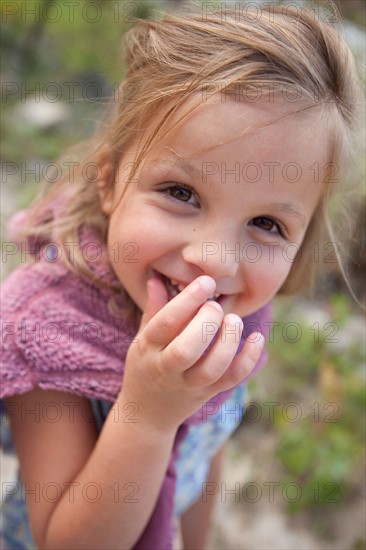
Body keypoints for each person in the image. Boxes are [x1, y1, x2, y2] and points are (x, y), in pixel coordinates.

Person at [0, 3, 362, 549]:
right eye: (181, 193)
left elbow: (208, 451)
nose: (215, 260)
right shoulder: (45, 329)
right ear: (110, 180)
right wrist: (148, 415)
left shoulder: (240, 313)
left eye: (265, 223)